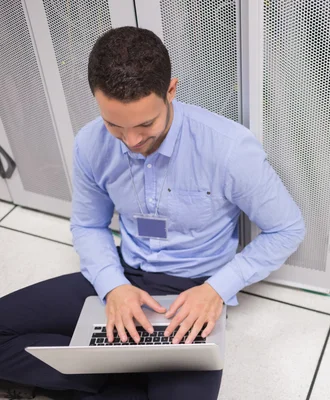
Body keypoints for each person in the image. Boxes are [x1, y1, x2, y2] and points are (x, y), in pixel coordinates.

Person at [0, 26, 305, 399]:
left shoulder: (228, 149)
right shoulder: (90, 144)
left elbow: (287, 229)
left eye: (146, 124)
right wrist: (113, 287)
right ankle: (106, 375)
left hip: (192, 290)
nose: (131, 142)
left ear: (171, 91)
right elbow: (88, 223)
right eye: (115, 125)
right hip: (124, 273)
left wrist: (216, 290)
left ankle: (104, 377)